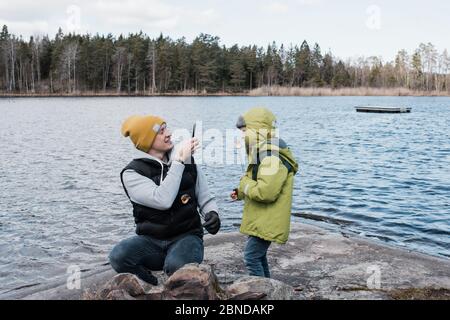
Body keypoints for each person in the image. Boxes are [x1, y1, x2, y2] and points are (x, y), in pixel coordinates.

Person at [109, 115, 221, 285]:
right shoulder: (132, 173)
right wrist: (178, 162)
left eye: (166, 128)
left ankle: (176, 271)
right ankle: (151, 286)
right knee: (119, 256)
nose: (168, 134)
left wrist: (212, 213)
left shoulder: (186, 160)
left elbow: (204, 196)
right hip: (151, 241)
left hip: (187, 236)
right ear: (147, 140)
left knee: (177, 267)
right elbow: (162, 200)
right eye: (161, 132)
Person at [231, 107, 298, 278]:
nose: (242, 136)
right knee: (258, 256)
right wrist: (240, 192)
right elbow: (257, 180)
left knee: (251, 257)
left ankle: (262, 292)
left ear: (257, 131)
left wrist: (245, 184)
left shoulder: (270, 156)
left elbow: (266, 192)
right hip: (263, 217)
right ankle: (268, 288)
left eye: (245, 131)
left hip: (267, 219)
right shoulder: (264, 152)